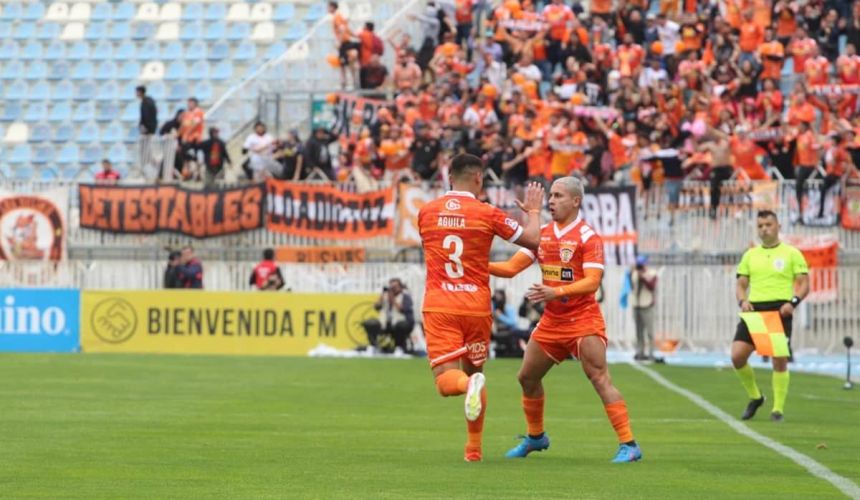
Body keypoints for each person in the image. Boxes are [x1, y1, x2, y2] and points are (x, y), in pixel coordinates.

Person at [489, 176, 642, 463]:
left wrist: (555, 291)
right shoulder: (542, 234)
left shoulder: (588, 237)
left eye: (558, 195)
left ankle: (629, 444)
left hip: (584, 320)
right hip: (552, 323)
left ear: (576, 201)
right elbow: (511, 268)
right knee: (526, 377)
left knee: (598, 377)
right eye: (551, 196)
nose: (551, 201)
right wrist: (476, 265)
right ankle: (536, 437)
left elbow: (592, 282)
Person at [418, 153, 543, 462]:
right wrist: (535, 211)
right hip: (476, 306)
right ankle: (473, 449)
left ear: (449, 177)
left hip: (440, 305)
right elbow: (533, 240)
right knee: (476, 371)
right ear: (478, 178)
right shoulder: (487, 213)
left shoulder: (426, 212)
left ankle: (468, 386)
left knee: (448, 383)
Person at [733, 210, 809, 422]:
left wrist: (793, 303)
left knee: (779, 360)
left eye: (768, 224)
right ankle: (755, 397)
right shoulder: (750, 255)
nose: (764, 228)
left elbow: (804, 284)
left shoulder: (791, 253)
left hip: (779, 309)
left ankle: (777, 410)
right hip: (754, 310)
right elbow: (740, 284)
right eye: (760, 226)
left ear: (778, 227)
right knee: (737, 356)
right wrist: (742, 301)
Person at [362, 279, 415, 354]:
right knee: (370, 323)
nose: (392, 289)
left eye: (395, 287)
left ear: (400, 287)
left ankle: (399, 348)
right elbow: (376, 307)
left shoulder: (405, 296)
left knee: (401, 326)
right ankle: (373, 346)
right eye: (391, 287)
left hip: (399, 323)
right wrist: (381, 296)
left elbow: (402, 309)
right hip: (384, 323)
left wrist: (392, 299)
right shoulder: (385, 296)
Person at [630, 255, 658, 361]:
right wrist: (633, 271)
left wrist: (643, 276)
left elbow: (652, 286)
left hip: (647, 305)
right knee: (639, 332)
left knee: (650, 332)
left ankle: (651, 353)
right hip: (636, 305)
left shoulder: (652, 273)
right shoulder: (635, 273)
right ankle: (640, 352)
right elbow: (632, 286)